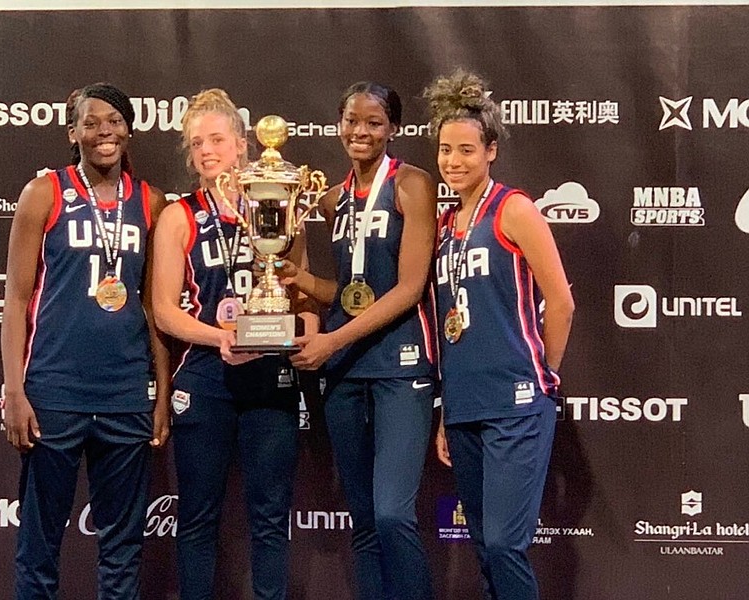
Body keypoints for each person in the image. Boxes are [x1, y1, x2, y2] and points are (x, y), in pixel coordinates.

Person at [1, 83, 170, 600]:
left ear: (129, 130)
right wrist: (15, 390)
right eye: (92, 122)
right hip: (54, 392)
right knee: (39, 546)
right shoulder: (45, 192)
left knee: (122, 550)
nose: (104, 132)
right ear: (72, 132)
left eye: (115, 121)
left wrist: (161, 393)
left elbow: (153, 307)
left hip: (124, 396)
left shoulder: (151, 202)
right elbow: (14, 299)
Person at [151, 88, 317, 600]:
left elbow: (301, 289)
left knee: (270, 518)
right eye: (196, 142)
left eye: (217, 139)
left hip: (271, 375)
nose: (206, 151)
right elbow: (162, 309)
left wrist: (307, 323)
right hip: (206, 376)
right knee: (198, 517)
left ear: (242, 145)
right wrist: (221, 336)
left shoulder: (281, 207)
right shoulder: (179, 216)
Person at [280, 81, 437, 600]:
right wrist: (298, 280)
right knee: (365, 520)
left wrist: (331, 340)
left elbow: (409, 288)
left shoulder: (412, 184)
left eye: (373, 122)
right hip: (345, 370)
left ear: (392, 128)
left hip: (399, 364)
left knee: (393, 513)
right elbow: (349, 292)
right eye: (351, 120)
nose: (360, 132)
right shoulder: (333, 199)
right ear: (338, 124)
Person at [424, 69, 575, 600]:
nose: (452, 162)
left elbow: (561, 302)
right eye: (445, 150)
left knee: (507, 545)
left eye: (466, 149)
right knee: (485, 545)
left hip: (516, 403)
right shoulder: (445, 227)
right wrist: (445, 412)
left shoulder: (515, 209)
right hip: (464, 405)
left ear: (490, 150)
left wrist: (543, 375)